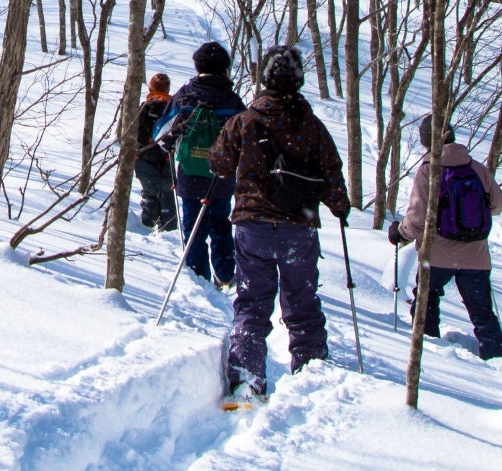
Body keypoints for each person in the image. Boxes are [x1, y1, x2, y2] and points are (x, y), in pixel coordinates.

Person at [209, 45, 351, 403]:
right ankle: (310, 372)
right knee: (302, 302)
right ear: (298, 80)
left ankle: (247, 379)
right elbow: (332, 173)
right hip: (297, 228)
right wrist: (339, 205)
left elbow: (220, 163)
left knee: (253, 304)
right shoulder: (312, 126)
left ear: (265, 80)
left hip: (253, 224)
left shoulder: (245, 121)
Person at [389, 115, 502, 360]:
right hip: (476, 255)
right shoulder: (476, 168)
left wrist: (399, 233)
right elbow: (497, 205)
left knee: (426, 300)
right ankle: (497, 358)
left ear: (426, 142)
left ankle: (430, 352)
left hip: (437, 254)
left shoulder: (428, 170)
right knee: (481, 310)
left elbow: (417, 217)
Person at [154, 41, 246, 288]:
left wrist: (173, 146)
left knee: (193, 225)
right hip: (222, 176)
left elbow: (161, 135)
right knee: (221, 223)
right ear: (224, 68)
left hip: (190, 173)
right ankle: (225, 275)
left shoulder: (185, 95)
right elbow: (246, 138)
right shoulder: (232, 100)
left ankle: (198, 277)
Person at [133, 74, 178, 232]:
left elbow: (136, 132)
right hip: (166, 156)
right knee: (167, 193)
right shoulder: (173, 108)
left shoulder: (145, 106)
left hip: (144, 156)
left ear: (150, 88)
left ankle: (147, 225)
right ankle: (169, 228)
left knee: (150, 193)